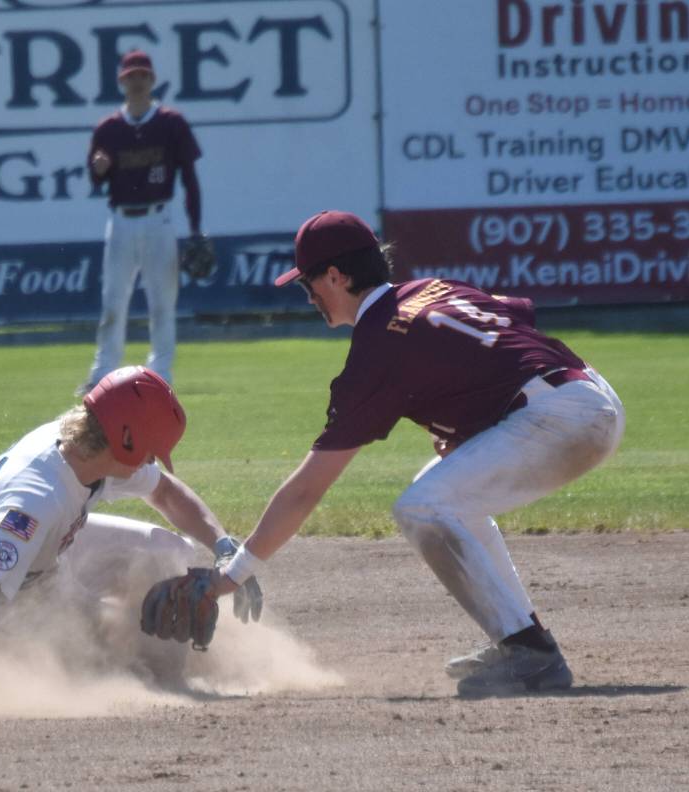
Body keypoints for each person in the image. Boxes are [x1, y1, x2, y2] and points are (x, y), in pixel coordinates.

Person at [209, 210, 625, 698]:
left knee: (423, 506)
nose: (309, 296)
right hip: (587, 396)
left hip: (564, 420)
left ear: (337, 277)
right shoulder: (432, 288)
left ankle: (531, 655)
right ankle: (520, 639)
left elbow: (307, 489)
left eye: (310, 283)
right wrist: (479, 425)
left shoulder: (377, 348)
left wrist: (234, 574)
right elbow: (512, 329)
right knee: (444, 491)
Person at [0, 366, 259, 691]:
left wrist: (223, 546)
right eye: (149, 451)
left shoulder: (86, 446)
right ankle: (121, 651)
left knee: (168, 552)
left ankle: (138, 643)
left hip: (46, 559)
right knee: (115, 670)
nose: (151, 461)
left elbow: (166, 492)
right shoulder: (36, 499)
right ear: (127, 439)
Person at [77, 50, 204, 395]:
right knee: (113, 302)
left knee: (163, 302)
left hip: (159, 218)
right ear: (121, 81)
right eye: (130, 76)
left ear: (152, 80)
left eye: (142, 76)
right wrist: (98, 169)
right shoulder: (109, 129)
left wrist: (195, 229)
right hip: (121, 221)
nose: (136, 82)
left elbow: (190, 179)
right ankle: (102, 372)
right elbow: (95, 180)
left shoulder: (170, 123)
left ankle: (160, 372)